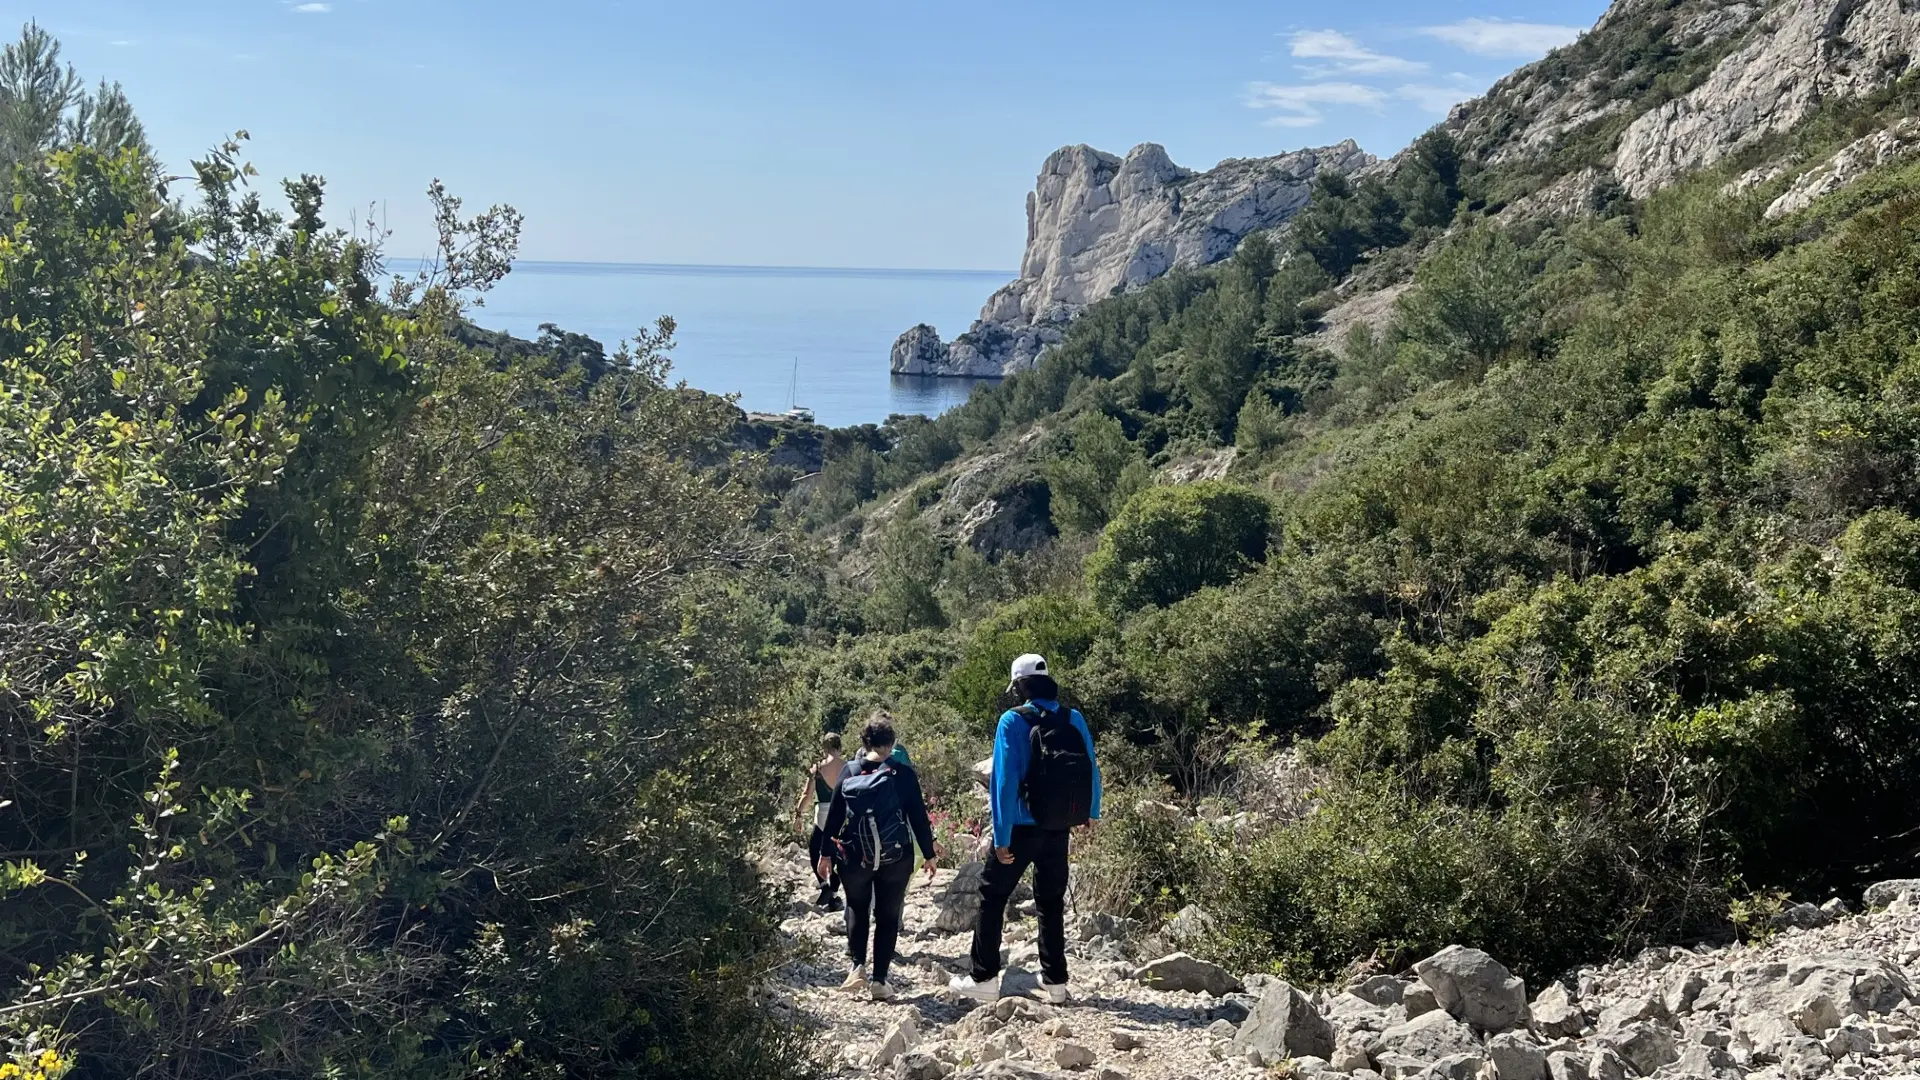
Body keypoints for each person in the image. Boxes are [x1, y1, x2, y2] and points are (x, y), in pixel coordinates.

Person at [949, 653, 1101, 1005]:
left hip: (1020, 826)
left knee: (992, 896)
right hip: (1058, 825)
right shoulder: (1072, 717)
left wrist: (1001, 837)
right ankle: (1056, 983)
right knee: (1050, 902)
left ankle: (984, 978)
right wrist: (1090, 812)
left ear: (1020, 686)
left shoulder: (1011, 721)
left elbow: (1003, 782)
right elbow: (1091, 766)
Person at [819, 714, 937, 1001]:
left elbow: (833, 817)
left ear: (864, 742)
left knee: (857, 907)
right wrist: (930, 855)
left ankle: (857, 967)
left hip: (854, 856)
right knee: (886, 916)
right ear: (892, 744)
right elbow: (918, 818)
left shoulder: (849, 771)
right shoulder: (903, 775)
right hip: (895, 858)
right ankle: (880, 980)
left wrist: (825, 854)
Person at [794, 731, 846, 911]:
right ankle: (833, 892)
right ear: (840, 747)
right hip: (843, 815)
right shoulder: (849, 767)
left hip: (822, 815)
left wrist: (798, 814)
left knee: (816, 851)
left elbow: (807, 795)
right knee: (839, 855)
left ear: (824, 748)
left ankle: (824, 885)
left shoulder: (817, 768)